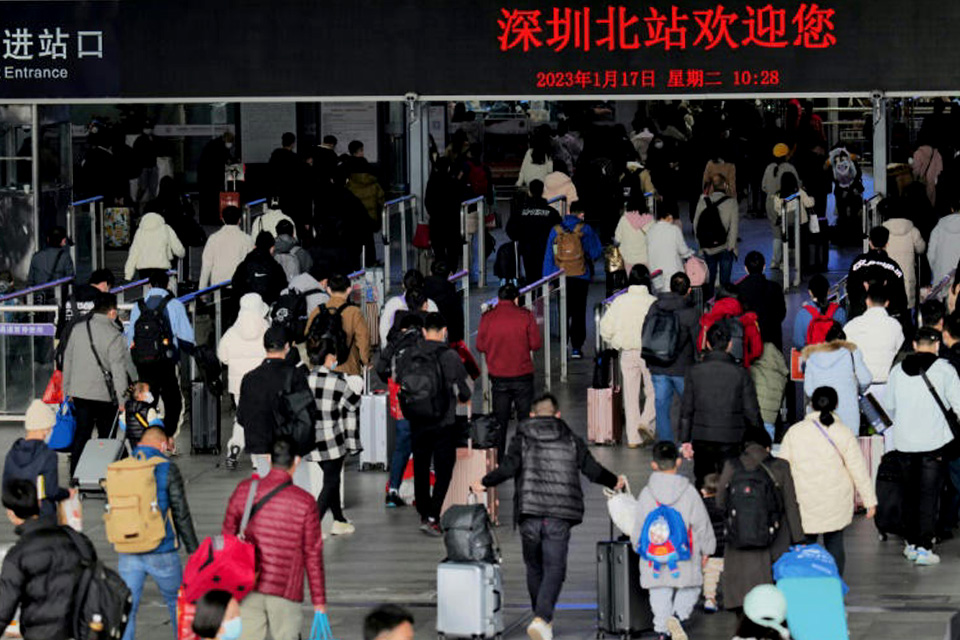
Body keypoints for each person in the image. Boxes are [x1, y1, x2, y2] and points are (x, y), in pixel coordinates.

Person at [473, 393, 623, 640]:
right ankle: (542, 618)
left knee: (534, 568)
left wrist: (484, 482)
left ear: (532, 415)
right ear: (558, 414)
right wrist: (614, 480)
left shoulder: (521, 438)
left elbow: (508, 469)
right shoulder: (571, 439)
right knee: (555, 567)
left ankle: (542, 619)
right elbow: (592, 470)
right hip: (559, 515)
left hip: (530, 513)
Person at [221, 437, 326, 640]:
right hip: (286, 590)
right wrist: (319, 601)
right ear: (296, 461)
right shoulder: (305, 502)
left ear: (268, 459)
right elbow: (313, 555)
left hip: (248, 585)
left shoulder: (244, 490)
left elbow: (227, 541)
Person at [614, 440, 714, 640]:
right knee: (691, 586)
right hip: (684, 552)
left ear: (653, 465)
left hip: (655, 554)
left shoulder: (647, 493)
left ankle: (662, 630)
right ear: (678, 462)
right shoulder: (689, 492)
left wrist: (637, 545)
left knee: (659, 592)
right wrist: (707, 549)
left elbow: (640, 525)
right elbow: (701, 523)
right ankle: (677, 616)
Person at [778, 387, 877, 575]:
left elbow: (782, 467)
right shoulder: (843, 432)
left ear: (811, 404)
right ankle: (835, 585)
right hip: (835, 500)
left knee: (805, 546)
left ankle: (806, 584)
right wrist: (869, 501)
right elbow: (858, 469)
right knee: (835, 544)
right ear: (836, 405)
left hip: (803, 500)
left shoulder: (795, 432)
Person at [884, 327, 960, 565]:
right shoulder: (945, 370)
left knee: (908, 493)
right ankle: (925, 547)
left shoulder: (897, 371)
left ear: (915, 345)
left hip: (905, 441)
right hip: (934, 444)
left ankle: (911, 543)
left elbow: (890, 405)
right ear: (937, 345)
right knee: (929, 495)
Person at [119, 426, 199, 640]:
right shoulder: (166, 468)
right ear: (163, 444)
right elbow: (180, 512)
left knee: (127, 607)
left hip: (128, 549)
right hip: (161, 548)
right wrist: (194, 549)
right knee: (177, 601)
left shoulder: (121, 467)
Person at [716, 427, 804, 611]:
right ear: (767, 446)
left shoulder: (732, 465)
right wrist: (798, 539)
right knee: (771, 592)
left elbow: (720, 502)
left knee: (741, 593)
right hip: (774, 539)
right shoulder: (781, 466)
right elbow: (790, 505)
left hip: (738, 540)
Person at [403, 313, 471, 536]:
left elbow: (399, 381)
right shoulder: (450, 355)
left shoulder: (410, 353)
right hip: (443, 421)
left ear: (423, 331)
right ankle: (433, 514)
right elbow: (465, 391)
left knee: (421, 467)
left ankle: (424, 512)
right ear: (444, 331)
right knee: (444, 469)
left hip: (416, 419)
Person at [0, 479, 91, 640]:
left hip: (40, 633)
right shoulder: (77, 539)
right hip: (79, 629)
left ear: (11, 514)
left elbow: (4, 609)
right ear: (40, 504)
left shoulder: (17, 555)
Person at [680, 323, 763, 487]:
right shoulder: (740, 373)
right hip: (732, 437)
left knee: (703, 482)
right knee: (730, 482)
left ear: (708, 344)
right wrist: (759, 438)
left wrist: (685, 440)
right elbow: (751, 410)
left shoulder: (694, 371)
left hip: (702, 437)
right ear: (730, 344)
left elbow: (687, 409)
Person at [62, 292, 136, 473]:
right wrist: (122, 400)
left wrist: (67, 390)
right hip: (104, 396)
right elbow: (118, 371)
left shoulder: (78, 329)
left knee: (82, 433)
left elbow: (68, 360)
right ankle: (104, 473)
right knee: (107, 436)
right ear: (111, 312)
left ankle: (76, 474)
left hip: (79, 393)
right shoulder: (114, 335)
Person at [124, 271, 194, 441]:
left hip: (143, 361)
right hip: (166, 360)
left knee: (148, 397)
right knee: (172, 399)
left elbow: (130, 337)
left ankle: (144, 434)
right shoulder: (175, 304)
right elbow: (187, 337)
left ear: (149, 286)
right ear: (167, 285)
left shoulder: (138, 306)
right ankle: (168, 436)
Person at [477, 283, 543, 459]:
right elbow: (536, 344)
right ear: (516, 299)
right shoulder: (526, 316)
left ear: (498, 298)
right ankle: (526, 457)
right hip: (522, 376)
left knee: (500, 421)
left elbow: (480, 345)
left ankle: (498, 460)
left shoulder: (487, 317)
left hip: (499, 377)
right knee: (525, 419)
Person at [236, 326, 313, 476]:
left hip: (261, 448)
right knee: (291, 492)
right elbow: (305, 415)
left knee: (268, 491)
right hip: (289, 449)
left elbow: (242, 417)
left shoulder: (249, 378)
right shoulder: (295, 375)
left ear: (265, 347)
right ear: (287, 347)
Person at [306, 337, 361, 536]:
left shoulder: (305, 380)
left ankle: (338, 520)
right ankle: (314, 524)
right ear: (329, 357)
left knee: (332, 479)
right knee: (330, 482)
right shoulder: (337, 382)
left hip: (310, 440)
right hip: (332, 441)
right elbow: (354, 403)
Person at [600, 265, 658, 447]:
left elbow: (605, 328)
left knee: (630, 396)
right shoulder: (653, 302)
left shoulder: (619, 301)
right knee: (653, 390)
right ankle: (646, 421)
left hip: (626, 352)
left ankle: (633, 438)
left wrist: (614, 342)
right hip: (649, 353)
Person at [542, 201, 603, 359]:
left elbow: (550, 256)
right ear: (581, 214)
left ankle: (563, 345)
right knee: (579, 312)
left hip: (560, 276)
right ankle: (576, 347)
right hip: (580, 276)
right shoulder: (585, 229)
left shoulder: (555, 230)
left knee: (563, 311)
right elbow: (596, 251)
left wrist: (548, 279)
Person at [376, 312, 424, 508]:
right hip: (421, 395)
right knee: (422, 442)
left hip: (399, 394)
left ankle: (393, 490)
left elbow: (381, 367)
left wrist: (391, 379)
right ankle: (421, 493)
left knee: (402, 442)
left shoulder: (394, 341)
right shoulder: (421, 339)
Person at [218, 293, 271, 470]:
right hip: (262, 383)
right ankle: (258, 459)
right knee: (261, 420)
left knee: (243, 417)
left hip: (239, 385)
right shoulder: (266, 328)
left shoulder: (232, 332)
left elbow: (222, 356)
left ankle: (235, 446)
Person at [648, 272, 701, 442]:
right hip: (682, 368)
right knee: (689, 406)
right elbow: (697, 342)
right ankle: (686, 441)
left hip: (658, 365)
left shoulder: (656, 306)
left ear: (670, 287)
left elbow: (646, 331)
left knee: (662, 407)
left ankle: (666, 444)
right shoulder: (692, 313)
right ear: (689, 290)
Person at [2, 400, 70, 518]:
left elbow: (6, 487)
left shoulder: (13, 452)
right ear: (46, 429)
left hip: (20, 513)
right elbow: (51, 491)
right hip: (43, 513)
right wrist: (68, 493)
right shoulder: (48, 455)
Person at [802, 325, 872, 436]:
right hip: (849, 416)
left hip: (820, 416)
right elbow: (866, 379)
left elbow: (809, 390)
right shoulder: (852, 353)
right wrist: (856, 390)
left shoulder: (812, 357)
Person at [843, 285, 905, 397]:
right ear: (887, 303)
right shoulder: (895, 326)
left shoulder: (852, 325)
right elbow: (899, 351)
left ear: (867, 301)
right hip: (887, 386)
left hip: (859, 387)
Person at [306, 273, 370, 376]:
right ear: (349, 290)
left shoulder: (317, 310)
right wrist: (365, 361)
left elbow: (308, 336)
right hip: (348, 369)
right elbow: (363, 340)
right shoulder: (354, 312)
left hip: (320, 369)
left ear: (328, 290)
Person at [846, 226, 908, 321]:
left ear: (870, 243)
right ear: (886, 244)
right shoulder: (894, 268)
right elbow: (901, 300)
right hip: (886, 319)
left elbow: (851, 289)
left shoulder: (858, 263)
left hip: (860, 317)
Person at [506, 179, 561, 283]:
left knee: (530, 274)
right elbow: (559, 229)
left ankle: (532, 296)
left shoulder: (520, 211)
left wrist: (520, 238)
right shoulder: (551, 212)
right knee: (544, 274)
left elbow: (510, 229)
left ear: (529, 192)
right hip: (546, 248)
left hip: (527, 247)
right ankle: (541, 294)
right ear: (543, 191)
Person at [693, 174, 740, 298]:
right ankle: (724, 306)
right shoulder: (732, 202)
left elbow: (696, 224)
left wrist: (701, 245)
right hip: (725, 246)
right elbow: (734, 227)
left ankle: (708, 306)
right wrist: (731, 247)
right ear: (725, 185)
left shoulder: (703, 202)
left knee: (709, 280)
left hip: (708, 247)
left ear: (712, 187)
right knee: (725, 283)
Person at [737, 251, 787, 350]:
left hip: (749, 342)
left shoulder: (739, 289)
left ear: (746, 268)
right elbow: (781, 313)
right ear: (764, 267)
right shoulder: (775, 287)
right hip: (772, 340)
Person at [883, 205, 926, 309]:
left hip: (888, 275)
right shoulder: (913, 230)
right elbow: (921, 249)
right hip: (908, 275)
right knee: (907, 306)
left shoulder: (883, 229)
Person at [200, 205, 255, 289]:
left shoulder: (213, 238)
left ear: (222, 219)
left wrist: (202, 289)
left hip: (217, 286)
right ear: (239, 220)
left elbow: (206, 266)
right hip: (239, 285)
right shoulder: (247, 239)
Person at [379, 269, 437, 346]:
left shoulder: (393, 303)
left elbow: (384, 329)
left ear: (403, 285)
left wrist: (388, 348)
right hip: (426, 352)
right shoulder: (430, 304)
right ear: (422, 284)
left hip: (398, 352)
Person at [124, 210, 186, 281]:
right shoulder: (166, 229)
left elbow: (133, 253)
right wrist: (182, 254)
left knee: (147, 290)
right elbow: (177, 247)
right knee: (162, 289)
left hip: (144, 269)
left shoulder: (140, 232)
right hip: (162, 267)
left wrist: (128, 274)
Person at [646, 205, 694, 293]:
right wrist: (690, 253)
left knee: (662, 298)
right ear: (669, 216)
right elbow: (683, 251)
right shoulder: (674, 230)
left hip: (657, 275)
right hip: (674, 273)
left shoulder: (650, 231)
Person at [232, 231, 289, 306]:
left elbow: (236, 284)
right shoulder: (276, 267)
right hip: (267, 310)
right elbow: (282, 288)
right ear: (272, 248)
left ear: (255, 246)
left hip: (247, 309)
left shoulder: (244, 265)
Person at [791, 273, 846, 349]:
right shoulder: (839, 311)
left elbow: (798, 343)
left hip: (812, 357)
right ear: (828, 291)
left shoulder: (802, 314)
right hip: (835, 355)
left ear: (810, 292)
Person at [749, 343, 789, 442]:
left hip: (755, 418)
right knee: (768, 449)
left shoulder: (754, 370)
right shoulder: (781, 377)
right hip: (770, 419)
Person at [344, 141, 386, 229]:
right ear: (358, 151)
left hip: (352, 213)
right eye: (362, 150)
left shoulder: (346, 166)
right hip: (369, 213)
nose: (363, 152)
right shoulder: (368, 168)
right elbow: (381, 197)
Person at [197, 131, 236, 224]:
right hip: (209, 178)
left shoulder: (216, 144)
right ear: (225, 139)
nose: (230, 144)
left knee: (208, 200)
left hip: (206, 177)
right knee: (212, 200)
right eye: (230, 142)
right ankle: (213, 220)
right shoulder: (217, 147)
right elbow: (222, 161)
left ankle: (207, 219)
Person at [700, 473, 725, 613]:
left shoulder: (701, 507)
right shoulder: (727, 504)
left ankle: (710, 598)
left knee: (710, 574)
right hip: (727, 546)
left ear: (704, 491)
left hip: (711, 548)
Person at [424, 261, 465, 344]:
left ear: (430, 272)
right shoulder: (453, 296)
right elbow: (458, 328)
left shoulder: (422, 291)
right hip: (446, 341)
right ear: (450, 274)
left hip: (423, 341)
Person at [614, 192, 654, 274]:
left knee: (632, 283)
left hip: (629, 259)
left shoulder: (624, 220)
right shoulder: (650, 220)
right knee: (645, 283)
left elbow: (617, 240)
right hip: (646, 258)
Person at [27, 226, 74, 294]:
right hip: (58, 297)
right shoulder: (65, 257)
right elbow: (70, 278)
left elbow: (30, 281)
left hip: (39, 298)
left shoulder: (36, 257)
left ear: (48, 239)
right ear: (63, 240)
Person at [928, 198, 960, 296]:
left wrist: (937, 269)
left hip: (942, 275)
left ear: (952, 209)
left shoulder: (940, 225)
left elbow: (931, 253)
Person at [516, 126, 554, 193]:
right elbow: (550, 172)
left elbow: (522, 171)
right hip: (542, 189)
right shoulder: (547, 155)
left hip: (530, 186)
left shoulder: (529, 152)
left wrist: (518, 184)